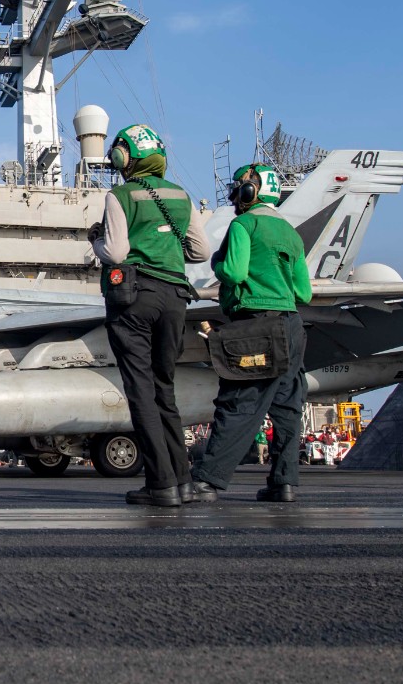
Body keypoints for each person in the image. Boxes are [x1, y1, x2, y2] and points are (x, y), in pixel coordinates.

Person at [89, 124, 210, 507]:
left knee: (140, 390)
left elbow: (117, 252)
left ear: (126, 156)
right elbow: (200, 251)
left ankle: (160, 484)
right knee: (164, 389)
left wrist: (94, 239)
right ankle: (183, 481)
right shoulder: (180, 195)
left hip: (135, 297)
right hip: (175, 297)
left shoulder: (120, 195)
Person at [190, 164, 312, 503]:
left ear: (250, 191)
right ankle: (283, 483)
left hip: (256, 323)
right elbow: (304, 293)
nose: (234, 195)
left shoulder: (244, 224)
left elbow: (233, 271)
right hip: (291, 325)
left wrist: (217, 263)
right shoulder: (292, 233)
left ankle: (207, 482)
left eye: (238, 188)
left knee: (240, 401)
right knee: (288, 406)